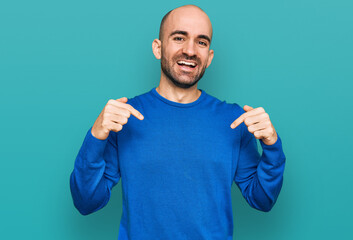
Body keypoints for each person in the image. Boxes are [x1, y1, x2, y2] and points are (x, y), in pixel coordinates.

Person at [70, 4, 286, 240]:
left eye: (201, 42)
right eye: (179, 38)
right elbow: (86, 202)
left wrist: (272, 145)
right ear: (158, 48)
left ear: (209, 57)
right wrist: (95, 136)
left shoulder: (234, 120)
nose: (190, 50)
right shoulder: (125, 117)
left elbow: (262, 199)